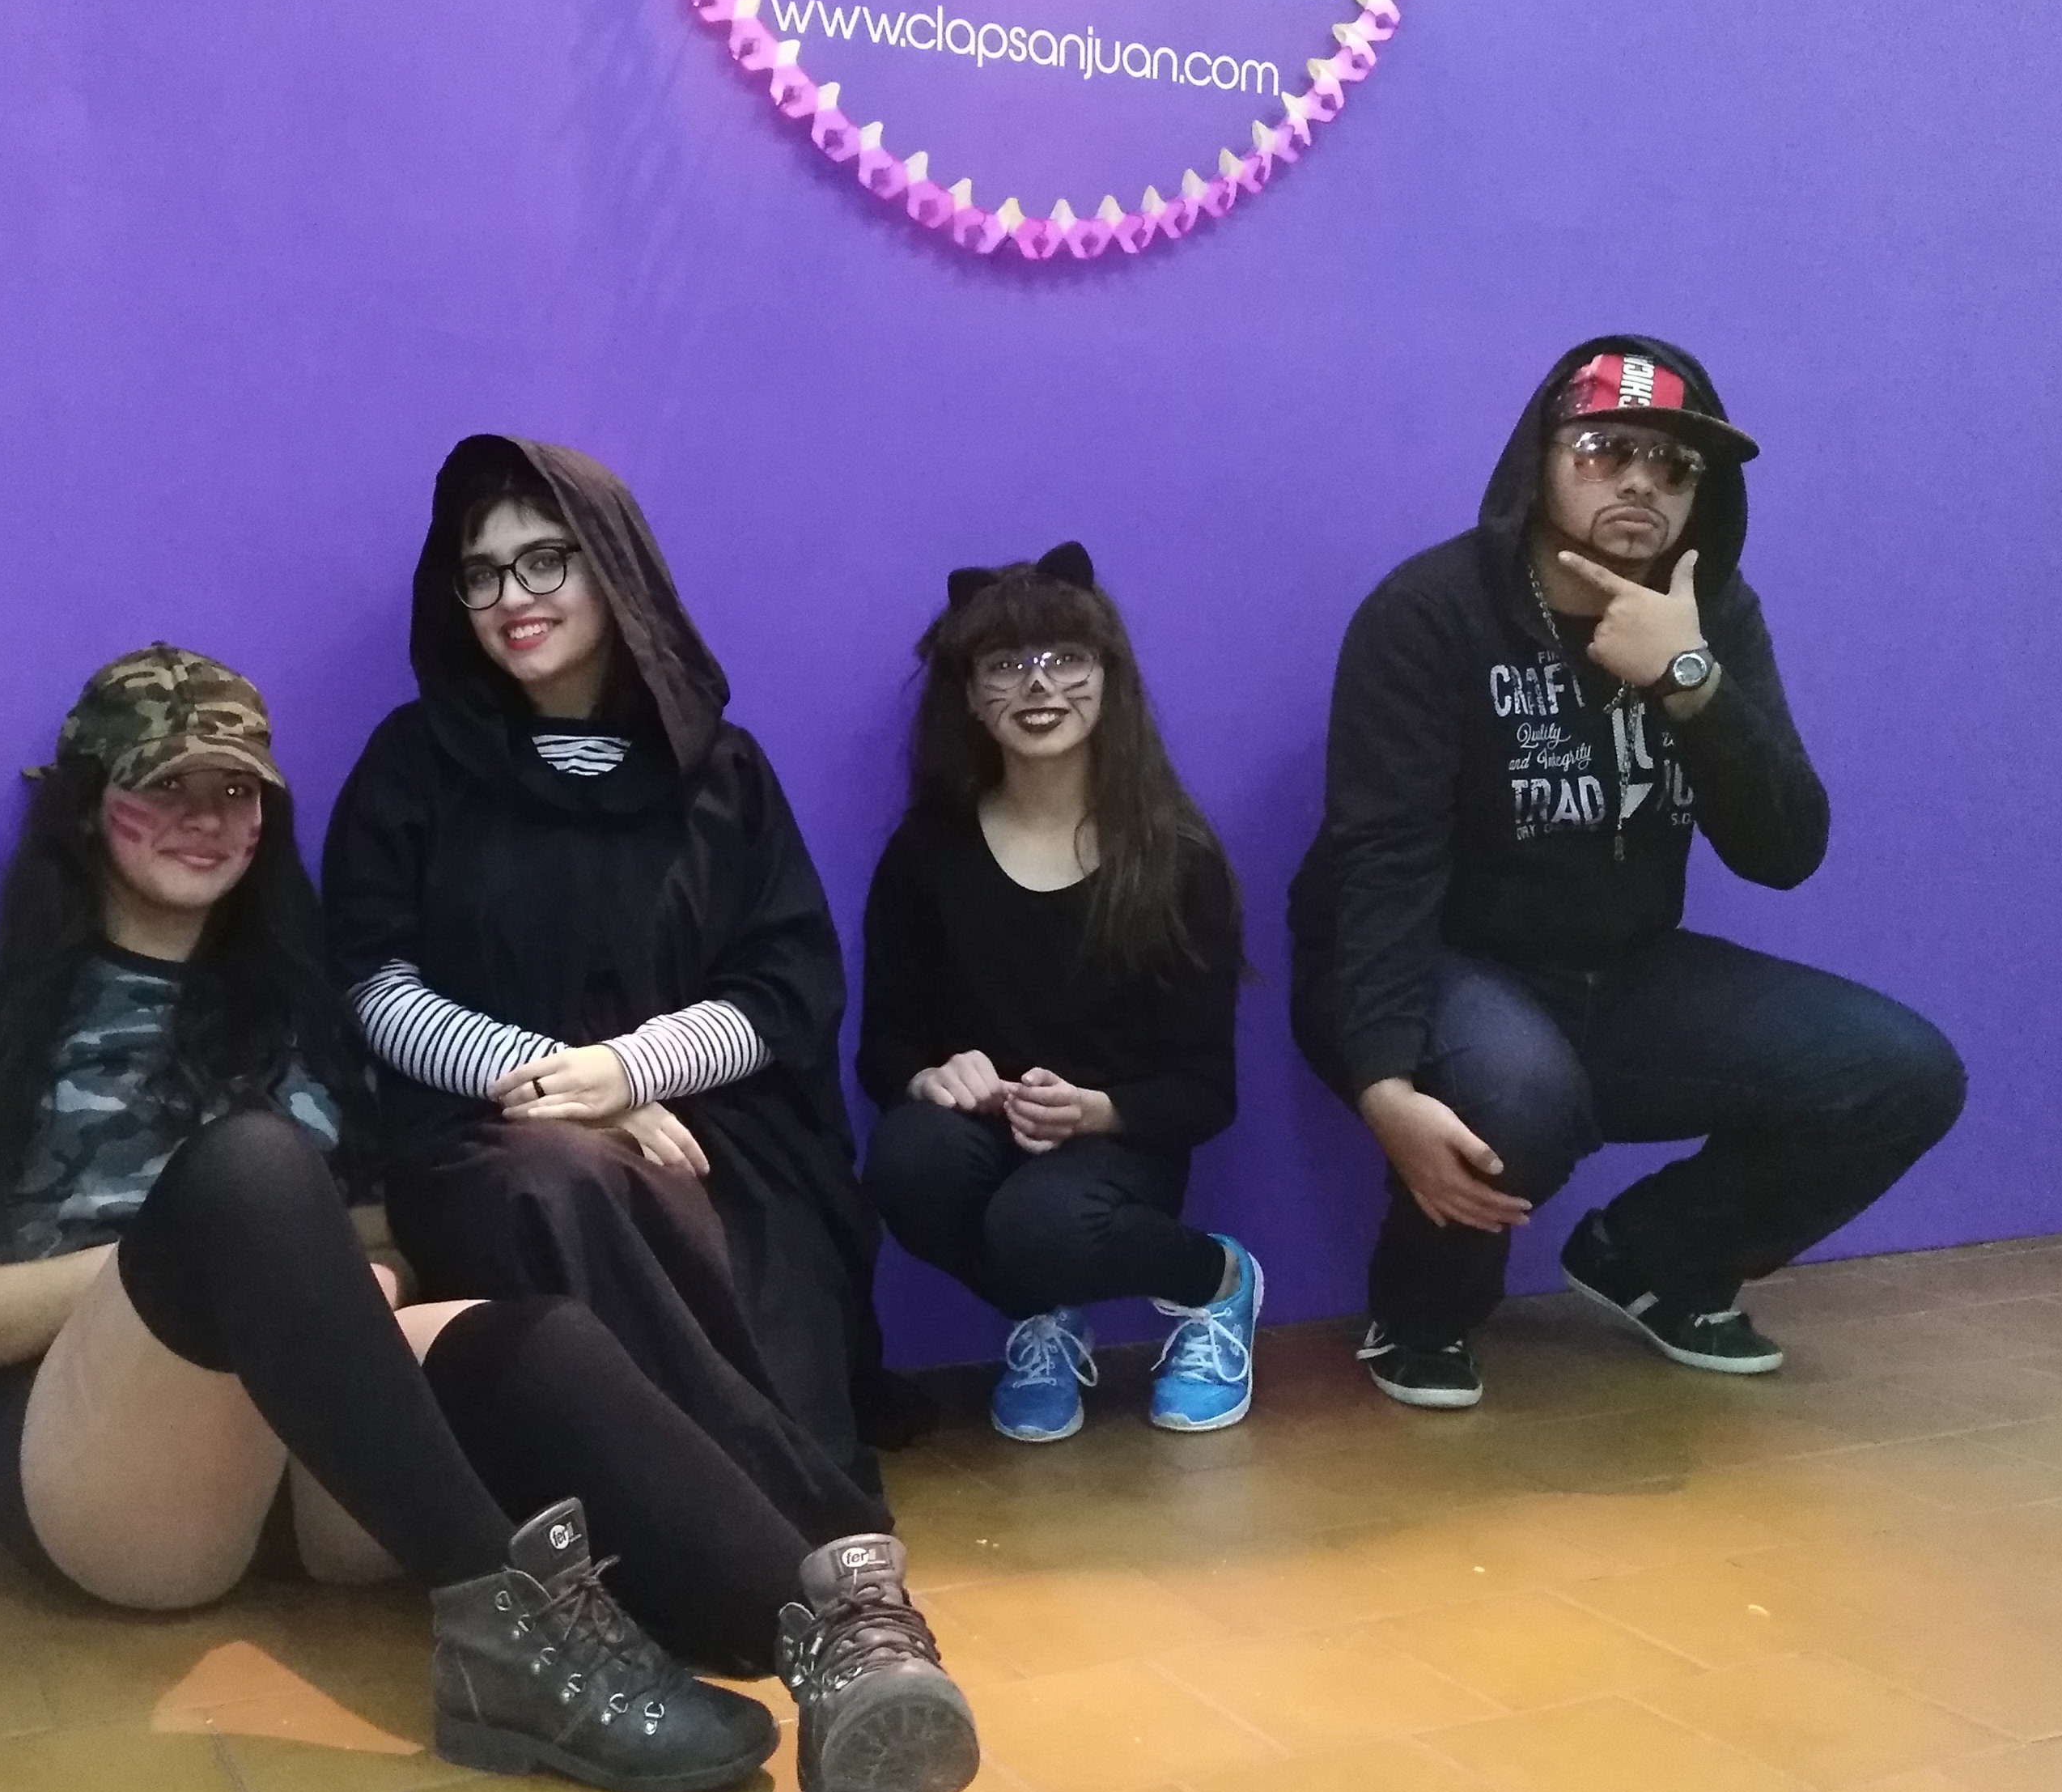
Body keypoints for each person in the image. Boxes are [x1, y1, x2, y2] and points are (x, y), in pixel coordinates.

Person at [0, 644, 977, 1792]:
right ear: (89, 807)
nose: (205, 819)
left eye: (234, 791)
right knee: (249, 1171)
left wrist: (349, 1274)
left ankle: (834, 1651)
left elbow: (387, 1227)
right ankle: (520, 1648)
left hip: (335, 1477)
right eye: (164, 786)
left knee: (538, 1342)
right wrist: (184, 1263)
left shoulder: (303, 1005)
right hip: (116, 1481)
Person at [1288, 338, 1967, 1410]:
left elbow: (1785, 851)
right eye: (1606, 450)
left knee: (1903, 1073)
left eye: (1675, 464)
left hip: (1623, 969)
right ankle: (1420, 1311)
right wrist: (1382, 1085)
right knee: (1519, 1097)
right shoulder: (1430, 612)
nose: (1643, 481)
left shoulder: (1716, 617)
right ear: (1541, 458)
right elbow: (1384, 866)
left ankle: (1658, 1259)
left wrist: (1690, 682)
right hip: (1442, 963)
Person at [324, 435, 915, 1514]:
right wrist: (564, 1082)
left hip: (712, 1128)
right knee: (559, 1181)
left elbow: (785, 985)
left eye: (545, 559)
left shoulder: (725, 774)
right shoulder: (414, 765)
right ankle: (763, 1527)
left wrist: (634, 1071)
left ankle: (747, 1516)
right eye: (481, 572)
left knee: (758, 1243)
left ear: (615, 570)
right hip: (483, 1129)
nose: (513, 596)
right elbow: (375, 983)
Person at [855, 542, 1260, 1442]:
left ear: (1109, 677)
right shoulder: (925, 853)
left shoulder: (1176, 860)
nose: (1039, 685)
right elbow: (881, 1047)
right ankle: (1044, 1316)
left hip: (1119, 1148)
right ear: (969, 695)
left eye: (1067, 658)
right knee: (905, 1159)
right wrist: (929, 1077)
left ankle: (1218, 1282)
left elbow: (1206, 1091)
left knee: (1041, 1226)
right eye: (1005, 665)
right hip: (978, 1141)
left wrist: (1095, 1111)